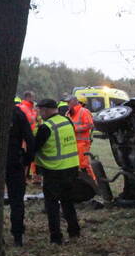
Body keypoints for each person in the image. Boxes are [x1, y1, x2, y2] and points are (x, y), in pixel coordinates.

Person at [32, 98, 94, 243]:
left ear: (46, 110)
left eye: (40, 110)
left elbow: (34, 148)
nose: (39, 113)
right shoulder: (67, 121)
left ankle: (56, 237)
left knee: (52, 206)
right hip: (71, 168)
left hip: (54, 171)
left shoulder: (46, 127)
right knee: (67, 202)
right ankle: (74, 231)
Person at [7, 99, 35, 247]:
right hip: (14, 161)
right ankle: (18, 235)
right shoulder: (18, 114)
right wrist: (27, 160)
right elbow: (30, 139)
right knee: (17, 200)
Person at [67, 96, 96, 181]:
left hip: (82, 143)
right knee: (74, 164)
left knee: (84, 165)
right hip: (71, 143)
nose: (67, 104)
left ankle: (93, 183)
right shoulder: (68, 113)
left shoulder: (84, 111)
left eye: (69, 102)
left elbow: (90, 125)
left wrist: (75, 129)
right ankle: (80, 182)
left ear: (75, 102)